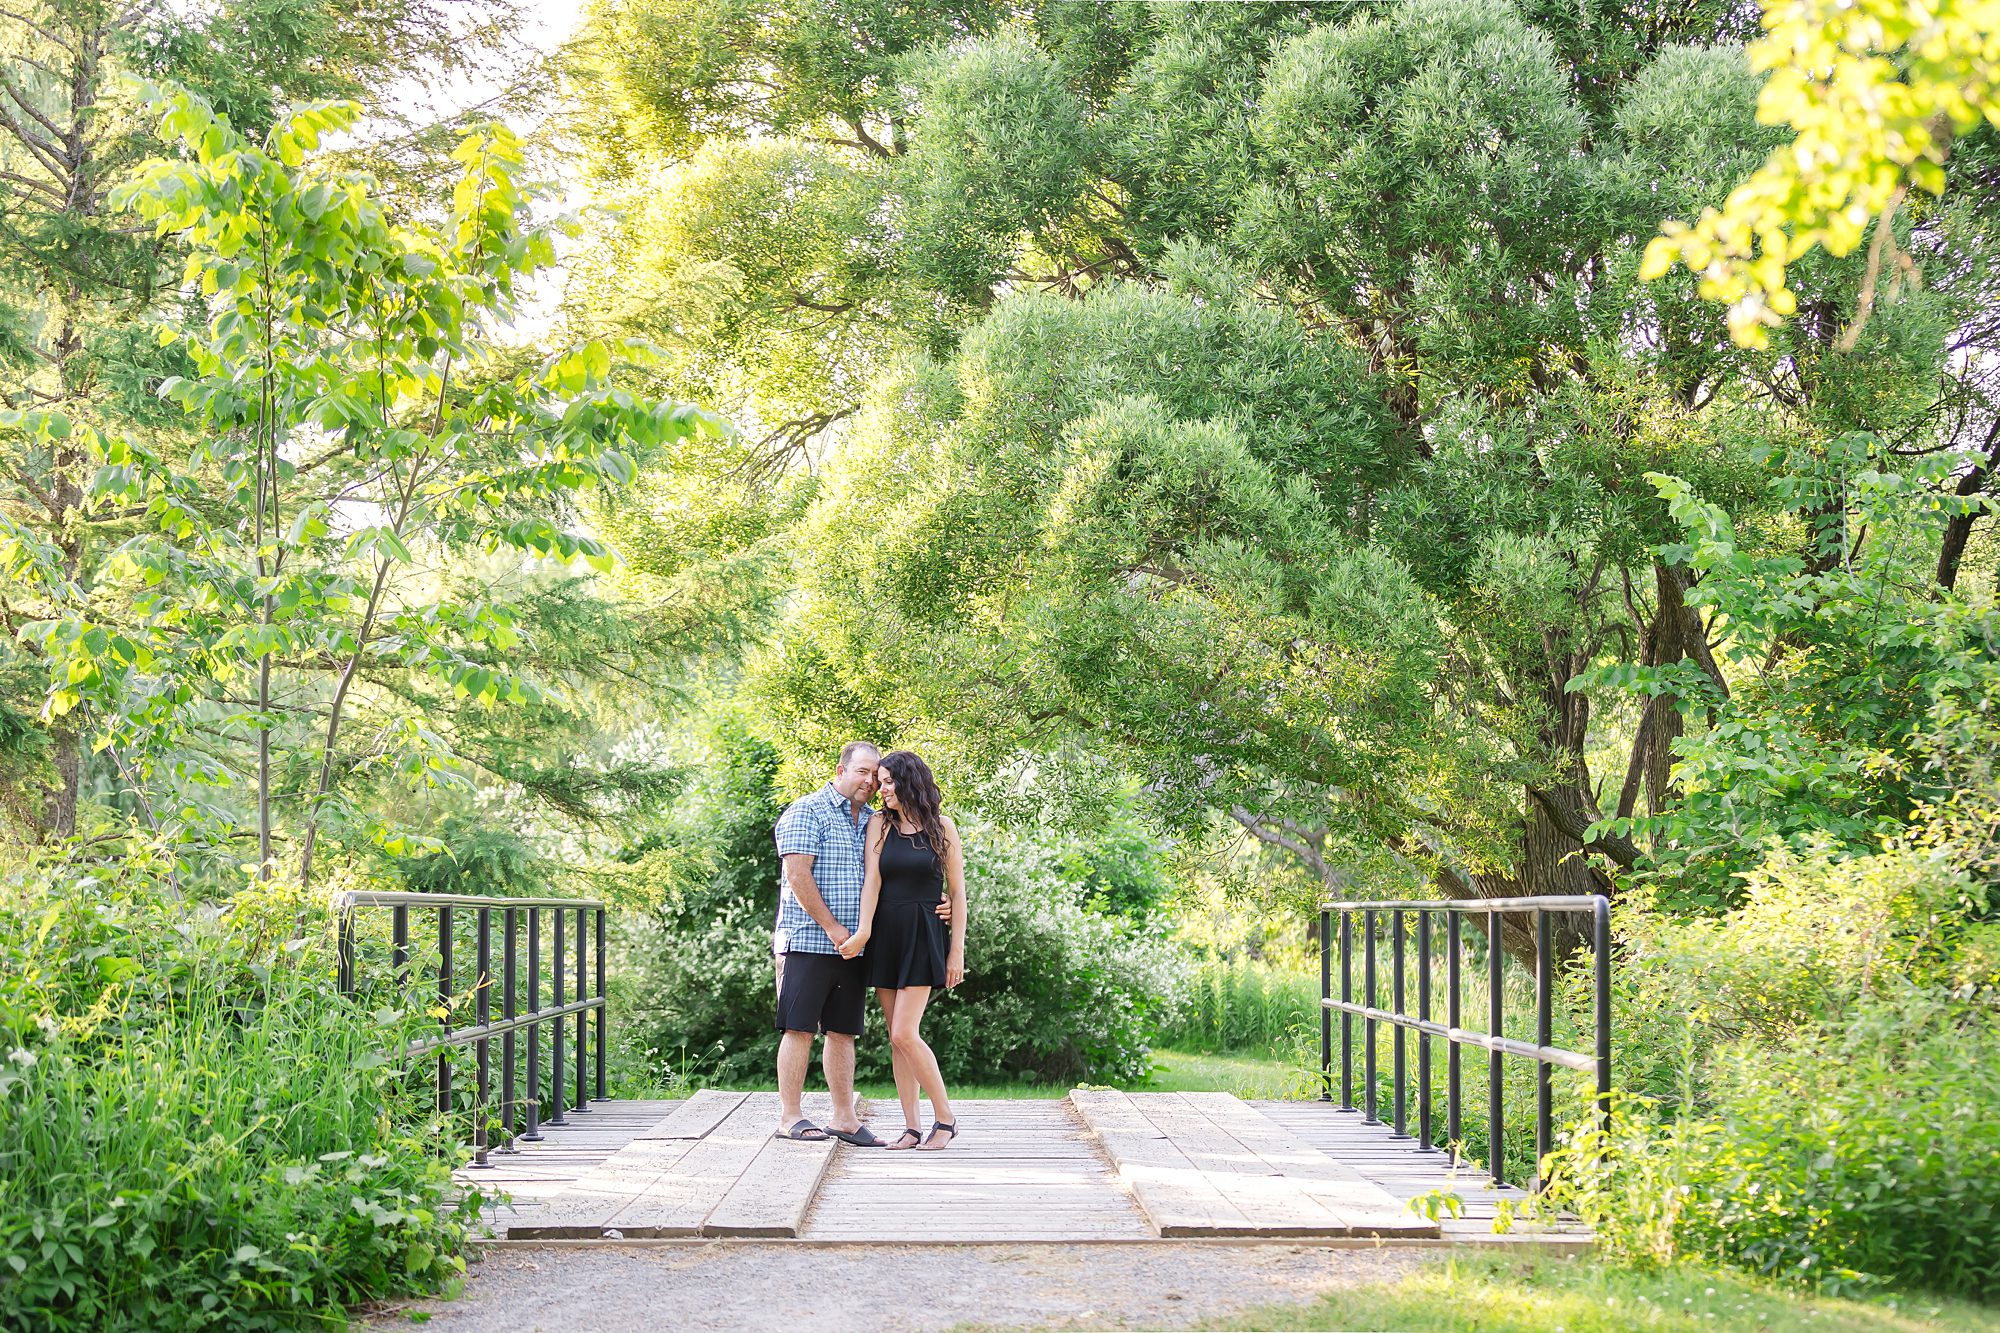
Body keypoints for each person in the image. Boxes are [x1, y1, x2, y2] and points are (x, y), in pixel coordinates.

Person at [769, 741, 950, 1143]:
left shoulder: (874, 820)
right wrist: (834, 928)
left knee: (842, 1032)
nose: (871, 781)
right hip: (811, 940)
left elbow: (897, 875)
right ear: (841, 770)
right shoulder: (806, 811)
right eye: (863, 772)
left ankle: (844, 1118)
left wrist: (945, 899)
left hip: (858, 946)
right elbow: (798, 877)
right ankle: (791, 1116)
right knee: (798, 1028)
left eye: (876, 776)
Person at [838, 749, 967, 1150]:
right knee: (896, 1039)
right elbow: (872, 884)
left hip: (924, 933)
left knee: (904, 1032)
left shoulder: (942, 827)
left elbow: (958, 894)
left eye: (889, 781)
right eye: (880, 780)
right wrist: (862, 931)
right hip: (886, 935)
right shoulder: (880, 824)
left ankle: (945, 1119)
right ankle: (912, 1127)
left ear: (909, 781)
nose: (881, 788)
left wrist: (957, 951)